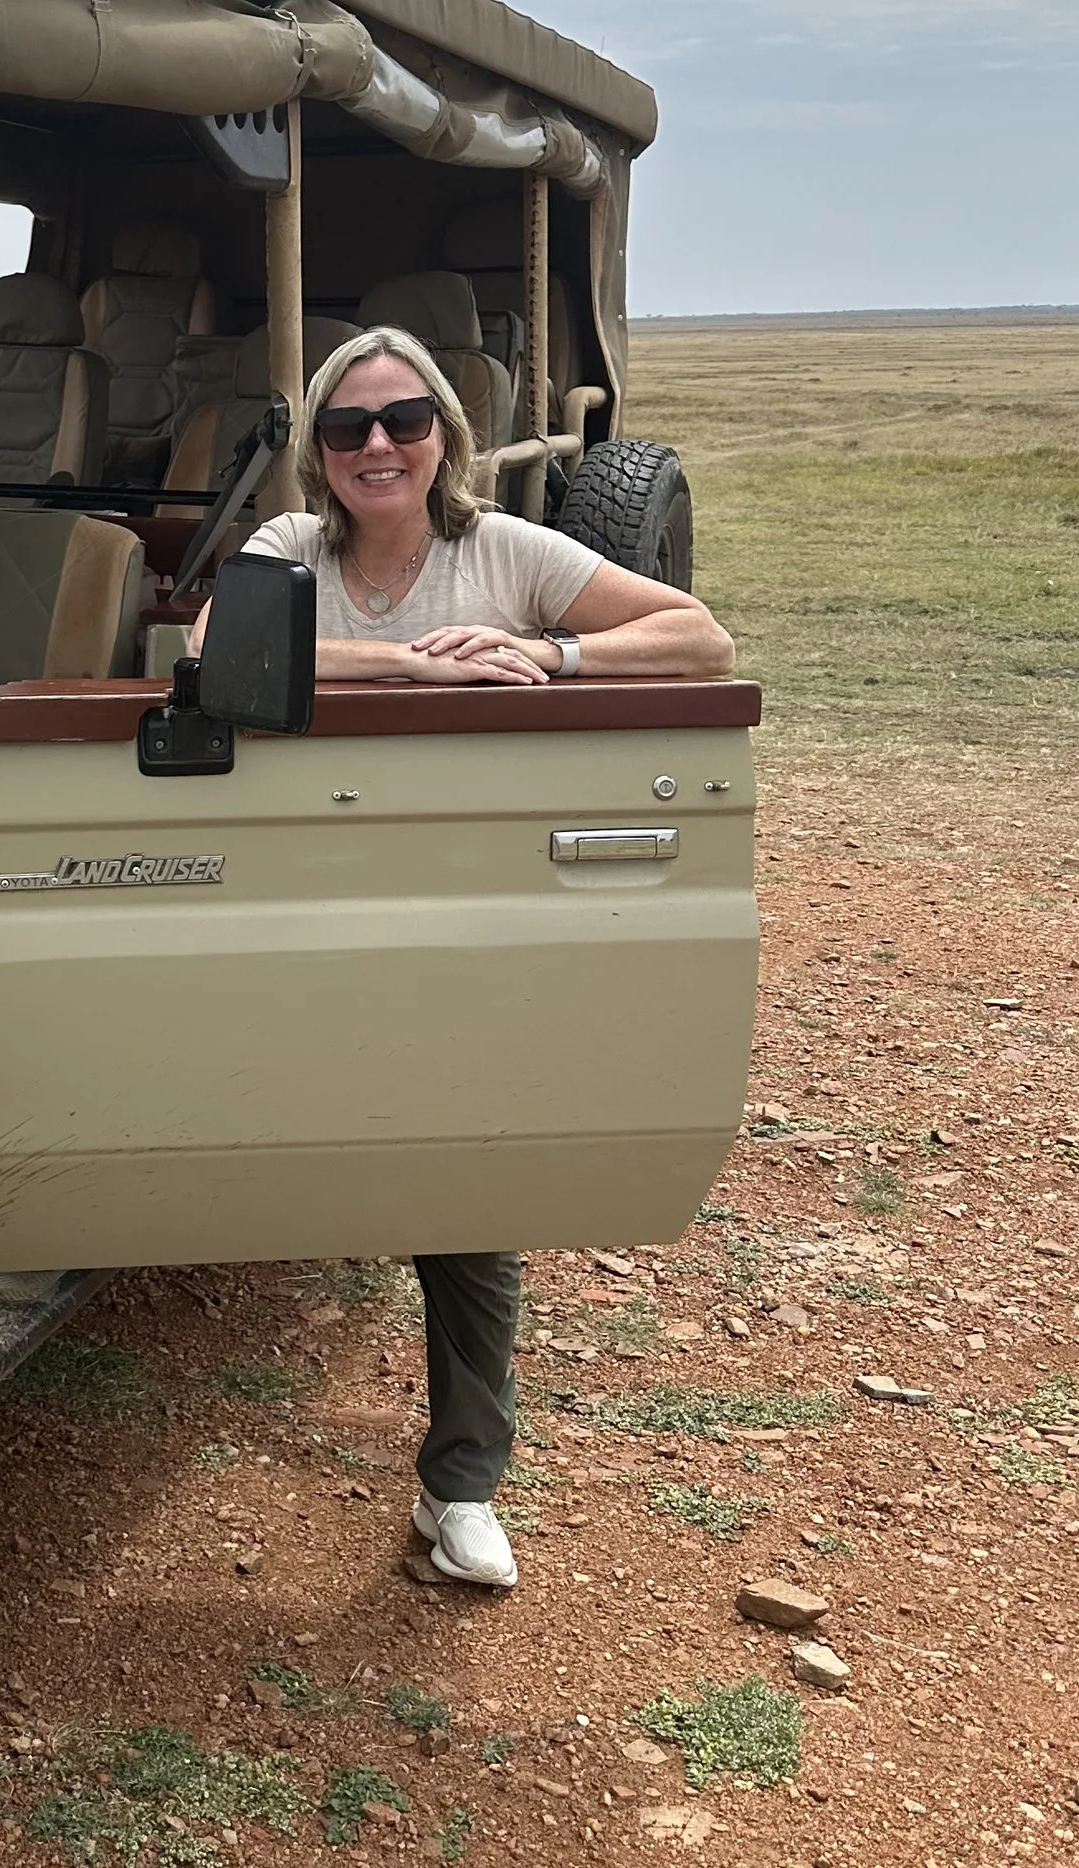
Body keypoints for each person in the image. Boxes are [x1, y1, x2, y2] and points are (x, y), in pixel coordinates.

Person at [199, 321, 735, 1591]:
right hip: (296, 895)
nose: (376, 446)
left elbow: (698, 642)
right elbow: (209, 655)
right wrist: (409, 666)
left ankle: (462, 1484)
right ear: (319, 451)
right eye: (346, 427)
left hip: (467, 909)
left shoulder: (501, 549)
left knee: (469, 1184)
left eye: (402, 421)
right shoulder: (289, 552)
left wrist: (551, 653)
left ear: (446, 434)